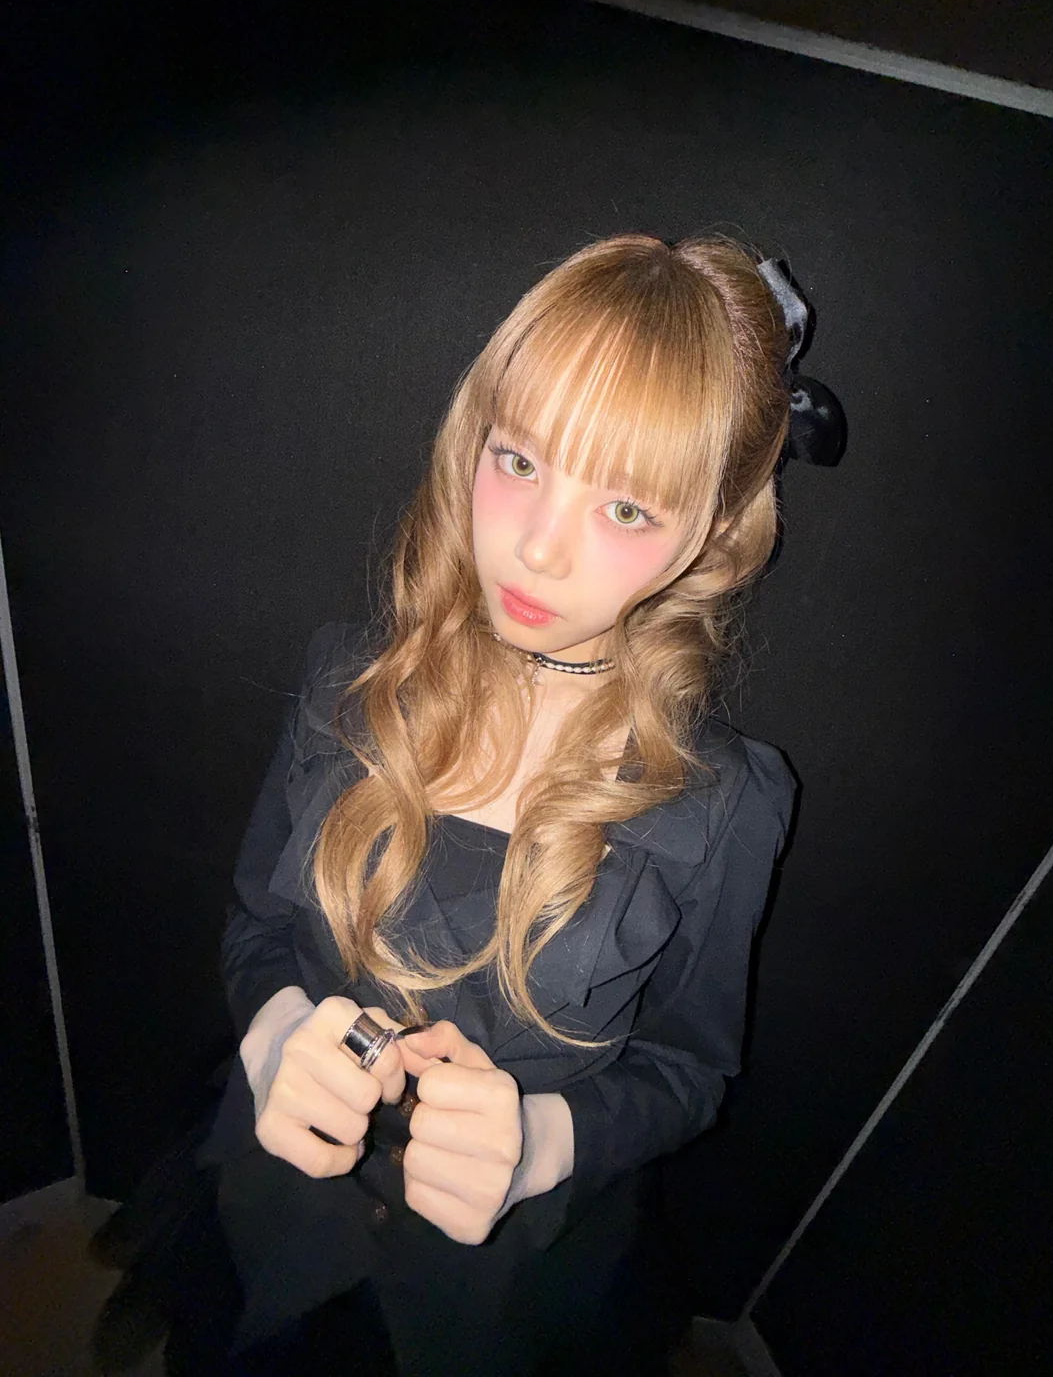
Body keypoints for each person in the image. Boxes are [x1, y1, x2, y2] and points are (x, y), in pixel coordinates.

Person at [170, 232, 842, 1376]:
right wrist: (277, 1034)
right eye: (519, 459)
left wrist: (541, 1140)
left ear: (715, 534)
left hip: (501, 1295)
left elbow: (689, 1071)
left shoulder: (730, 803)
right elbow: (258, 929)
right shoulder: (343, 682)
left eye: (626, 509)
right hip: (277, 1219)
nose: (537, 548)